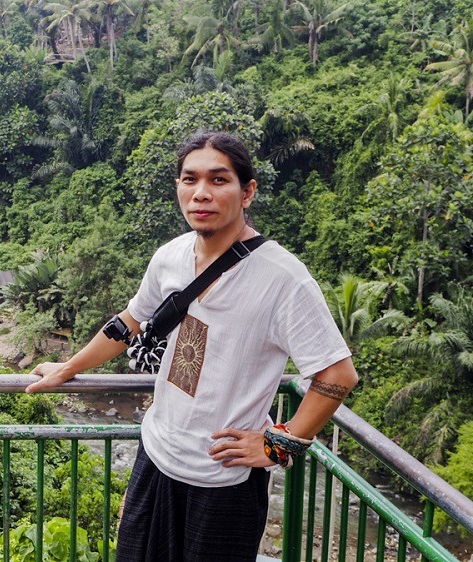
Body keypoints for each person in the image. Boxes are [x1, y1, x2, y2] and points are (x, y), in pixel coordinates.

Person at [26, 131, 358, 561]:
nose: (201, 193)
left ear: (247, 192)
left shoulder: (283, 279)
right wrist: (68, 368)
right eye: (190, 179)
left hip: (223, 479)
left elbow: (337, 373)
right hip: (156, 455)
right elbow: (129, 322)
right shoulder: (171, 256)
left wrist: (279, 444)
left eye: (219, 180)